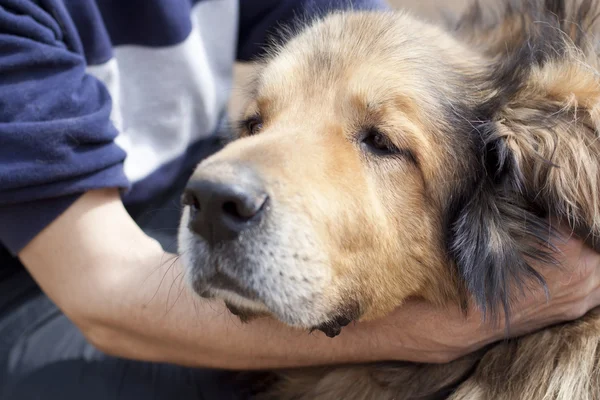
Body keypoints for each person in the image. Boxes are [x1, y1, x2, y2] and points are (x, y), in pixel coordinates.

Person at [0, 0, 599, 398]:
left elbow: (359, 39)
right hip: (44, 270)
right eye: (257, 122)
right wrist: (455, 328)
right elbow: (105, 293)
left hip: (162, 197)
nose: (249, 154)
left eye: (381, 142)